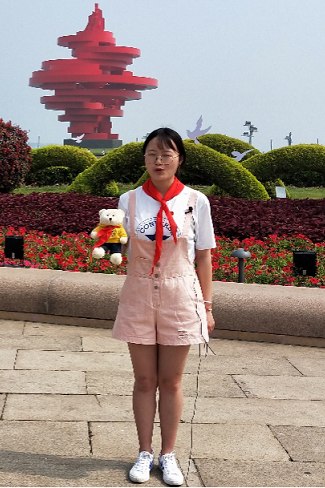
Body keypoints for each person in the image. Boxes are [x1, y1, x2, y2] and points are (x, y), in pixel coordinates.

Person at [112, 127, 216, 486]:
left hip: (180, 295)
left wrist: (207, 306)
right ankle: (144, 452)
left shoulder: (195, 201)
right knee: (144, 380)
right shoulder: (129, 200)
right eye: (152, 154)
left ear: (179, 159)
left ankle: (168, 455)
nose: (159, 161)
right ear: (144, 159)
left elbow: (204, 257)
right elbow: (118, 245)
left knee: (171, 381)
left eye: (166, 154)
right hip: (139, 293)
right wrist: (108, 242)